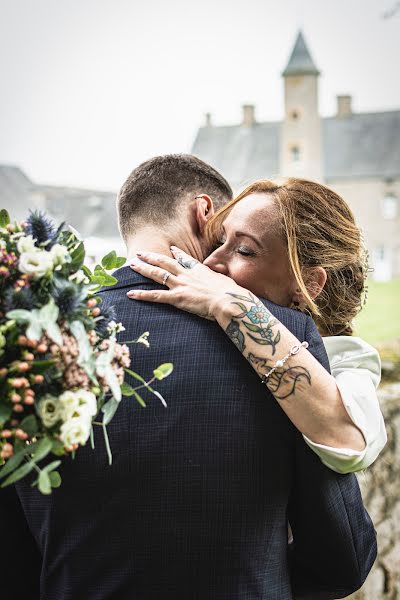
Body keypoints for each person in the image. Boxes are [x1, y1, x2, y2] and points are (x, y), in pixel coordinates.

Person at [3, 156, 376, 600]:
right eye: (223, 235)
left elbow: (13, 555)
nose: (216, 263)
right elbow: (342, 560)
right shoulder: (280, 338)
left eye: (242, 247)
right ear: (204, 214)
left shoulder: (30, 341)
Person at [128, 177, 387, 474]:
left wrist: (235, 305)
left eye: (245, 250)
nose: (211, 262)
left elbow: (350, 443)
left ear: (309, 284)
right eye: (219, 240)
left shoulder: (346, 357)